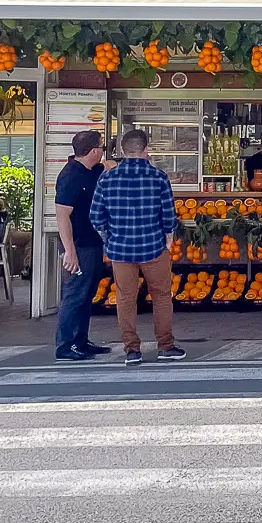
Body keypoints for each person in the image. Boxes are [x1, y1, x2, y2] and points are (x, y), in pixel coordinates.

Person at [89, 127, 185, 366]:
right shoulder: (158, 177)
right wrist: (169, 237)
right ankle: (165, 345)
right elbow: (169, 216)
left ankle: (132, 349)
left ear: (122, 151)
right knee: (162, 296)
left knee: (125, 298)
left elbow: (95, 216)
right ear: (146, 151)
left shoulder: (107, 178)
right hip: (153, 247)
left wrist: (108, 237)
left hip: (120, 249)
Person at [53, 129, 111, 361]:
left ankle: (80, 340)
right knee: (75, 295)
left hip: (93, 243)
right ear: (94, 150)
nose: (102, 152)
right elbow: (62, 216)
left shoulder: (91, 170)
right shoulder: (70, 177)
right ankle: (65, 345)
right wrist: (70, 251)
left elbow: (110, 165)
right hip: (78, 246)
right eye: (101, 148)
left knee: (87, 295)